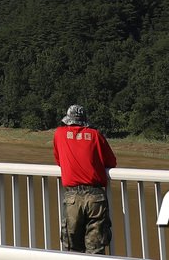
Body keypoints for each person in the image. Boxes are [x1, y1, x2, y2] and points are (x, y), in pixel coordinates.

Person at [52, 104, 118, 254]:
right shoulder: (95, 134)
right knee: (96, 249)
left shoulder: (59, 134)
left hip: (72, 197)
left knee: (73, 249)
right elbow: (111, 162)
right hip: (96, 196)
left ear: (68, 119)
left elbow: (59, 160)